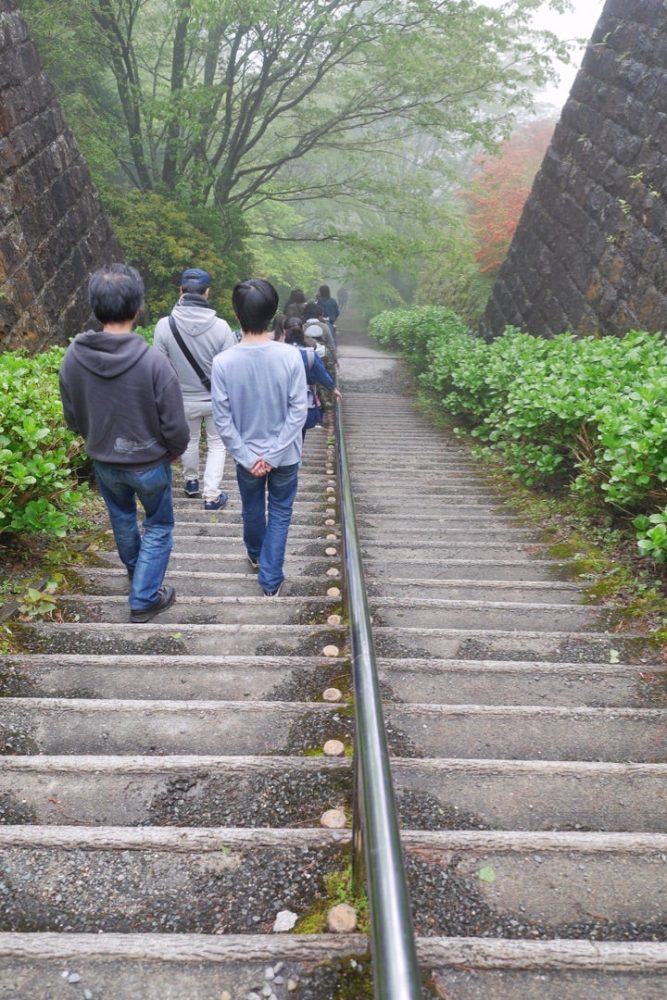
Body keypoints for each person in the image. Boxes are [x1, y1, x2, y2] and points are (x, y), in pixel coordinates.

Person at [59, 264, 189, 623]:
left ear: (94, 307)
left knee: (122, 518)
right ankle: (144, 597)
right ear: (137, 308)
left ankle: (139, 576)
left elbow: (72, 415)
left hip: (104, 461)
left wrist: (95, 439)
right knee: (159, 525)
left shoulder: (73, 358)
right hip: (149, 462)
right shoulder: (153, 363)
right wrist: (174, 452)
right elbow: (175, 425)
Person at [211, 279, 307, 597]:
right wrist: (275, 454)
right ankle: (270, 580)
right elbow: (298, 411)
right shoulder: (290, 357)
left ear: (237, 315)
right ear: (272, 314)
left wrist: (250, 457)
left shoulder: (223, 362)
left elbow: (223, 420)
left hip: (246, 456)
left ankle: (255, 554)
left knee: (252, 508)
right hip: (286, 456)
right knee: (280, 512)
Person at [153, 267, 236, 510]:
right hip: (215, 399)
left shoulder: (164, 325)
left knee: (188, 440)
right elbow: (230, 368)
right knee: (217, 444)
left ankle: (191, 481)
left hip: (181, 399)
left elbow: (159, 366)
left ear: (180, 290)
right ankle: (211, 495)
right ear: (207, 293)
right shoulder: (221, 327)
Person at [284, 320, 342, 439]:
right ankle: (297, 455)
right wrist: (332, 388)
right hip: (304, 397)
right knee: (301, 428)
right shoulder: (310, 354)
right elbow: (322, 374)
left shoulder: (279, 354)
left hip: (282, 396)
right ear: (303, 338)